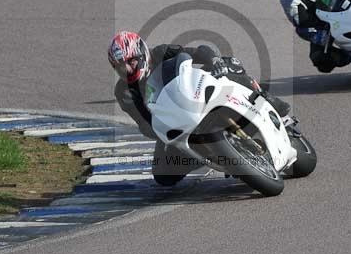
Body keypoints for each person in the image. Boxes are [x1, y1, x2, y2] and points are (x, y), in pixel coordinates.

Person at [108, 31, 290, 186]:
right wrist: (160, 131)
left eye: (129, 62)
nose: (127, 70)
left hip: (194, 94)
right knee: (163, 175)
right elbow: (143, 122)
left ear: (141, 54)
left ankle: (263, 98)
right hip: (173, 119)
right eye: (120, 67)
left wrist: (213, 60)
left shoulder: (161, 52)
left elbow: (196, 52)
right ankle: (207, 156)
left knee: (229, 64)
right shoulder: (123, 91)